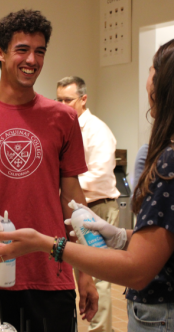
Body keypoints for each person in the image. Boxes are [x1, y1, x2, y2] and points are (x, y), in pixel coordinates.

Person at [0, 36, 174, 331]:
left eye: (153, 68)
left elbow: (137, 271)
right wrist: (123, 237)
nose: (148, 78)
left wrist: (46, 244)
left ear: (169, 85)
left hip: (172, 317)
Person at [0, 9, 98, 332]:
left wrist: (86, 271)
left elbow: (73, 201)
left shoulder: (62, 119)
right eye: (22, 50)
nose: (32, 60)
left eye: (40, 51)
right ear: (0, 53)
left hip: (51, 275)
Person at [56, 76, 119, 332]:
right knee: (80, 275)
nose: (61, 105)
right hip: (74, 207)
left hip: (97, 207)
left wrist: (63, 184)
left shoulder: (97, 130)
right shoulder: (63, 125)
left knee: (99, 276)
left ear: (83, 99)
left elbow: (99, 175)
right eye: (58, 99)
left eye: (67, 100)